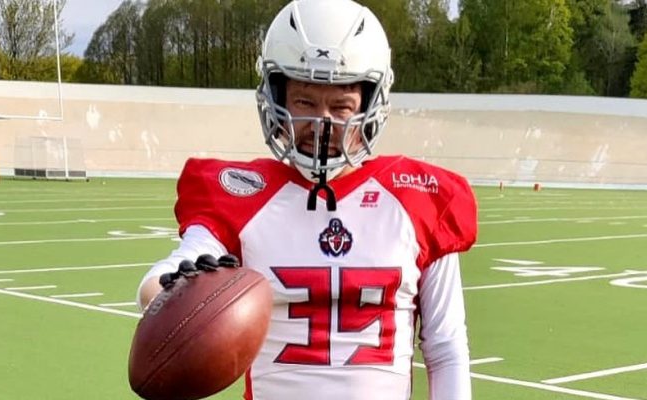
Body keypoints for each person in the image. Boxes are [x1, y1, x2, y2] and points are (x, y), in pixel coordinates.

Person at [136, 0, 477, 398]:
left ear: (372, 102)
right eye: (304, 102)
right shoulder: (245, 192)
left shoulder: (418, 198)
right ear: (277, 97)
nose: (321, 122)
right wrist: (169, 291)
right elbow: (167, 274)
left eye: (341, 106)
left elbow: (446, 346)